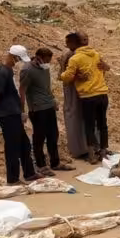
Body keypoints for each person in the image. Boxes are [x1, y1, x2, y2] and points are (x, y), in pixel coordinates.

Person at [0, 45, 39, 185]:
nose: (18, 62)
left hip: (13, 112)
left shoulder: (7, 70)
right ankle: (13, 179)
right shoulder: (2, 71)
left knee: (24, 144)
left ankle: (29, 173)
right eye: (17, 59)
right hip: (7, 114)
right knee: (12, 147)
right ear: (13, 56)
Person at [20, 47, 74, 177]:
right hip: (37, 109)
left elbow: (47, 86)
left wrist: (53, 99)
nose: (47, 63)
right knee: (39, 138)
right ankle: (41, 165)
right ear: (38, 57)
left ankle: (55, 163)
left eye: (49, 61)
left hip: (49, 106)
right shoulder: (27, 70)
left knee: (53, 135)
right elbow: (22, 91)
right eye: (46, 60)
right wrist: (22, 110)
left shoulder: (45, 68)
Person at [61, 33, 110, 164]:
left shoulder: (74, 58)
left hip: (87, 95)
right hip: (101, 93)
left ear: (73, 43)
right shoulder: (95, 54)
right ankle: (103, 151)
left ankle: (92, 154)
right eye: (84, 39)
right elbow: (104, 69)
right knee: (102, 124)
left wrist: (64, 75)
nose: (86, 41)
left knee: (89, 126)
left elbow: (66, 77)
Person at [59, 33, 89, 161]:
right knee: (74, 118)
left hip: (85, 91)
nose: (85, 42)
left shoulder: (85, 54)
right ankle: (78, 150)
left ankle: (88, 147)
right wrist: (76, 77)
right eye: (83, 40)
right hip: (72, 91)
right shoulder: (68, 56)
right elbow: (61, 75)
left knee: (86, 118)